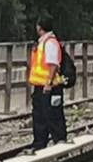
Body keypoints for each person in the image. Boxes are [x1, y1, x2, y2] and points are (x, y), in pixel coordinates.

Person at [27, 17, 67, 150]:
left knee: (52, 116)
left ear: (39, 28)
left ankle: (60, 143)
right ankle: (39, 144)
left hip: (49, 87)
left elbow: (53, 64)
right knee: (40, 116)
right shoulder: (42, 43)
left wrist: (49, 83)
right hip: (41, 86)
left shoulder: (49, 43)